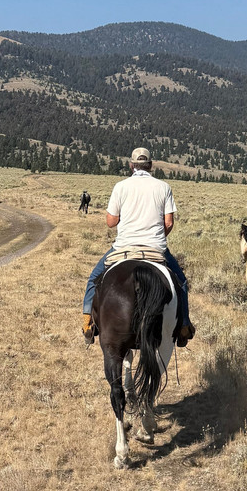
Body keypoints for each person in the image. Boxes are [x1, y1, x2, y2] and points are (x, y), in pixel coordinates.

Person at [82, 147, 195, 347]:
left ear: (131, 165)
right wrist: (157, 237)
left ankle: (88, 323)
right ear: (151, 166)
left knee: (93, 279)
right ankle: (184, 326)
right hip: (155, 248)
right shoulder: (163, 187)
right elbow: (168, 223)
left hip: (123, 247)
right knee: (181, 282)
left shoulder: (121, 186)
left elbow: (110, 222)